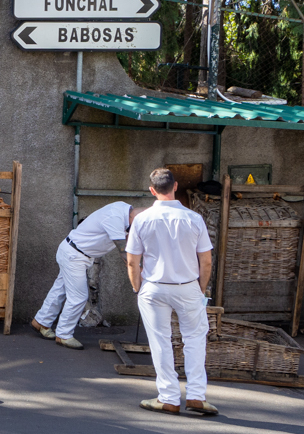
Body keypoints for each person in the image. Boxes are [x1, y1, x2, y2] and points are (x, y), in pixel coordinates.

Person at [126, 168, 217, 416]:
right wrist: (200, 287)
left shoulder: (142, 220)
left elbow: (133, 260)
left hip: (153, 287)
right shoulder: (194, 219)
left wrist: (137, 287)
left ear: (152, 190)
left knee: (160, 342)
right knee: (195, 339)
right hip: (187, 286)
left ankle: (168, 397)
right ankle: (197, 396)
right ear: (175, 186)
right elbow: (206, 261)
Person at [32, 201, 143, 350]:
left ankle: (41, 321)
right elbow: (124, 251)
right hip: (75, 256)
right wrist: (137, 269)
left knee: (60, 289)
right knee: (78, 296)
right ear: (133, 217)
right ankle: (64, 334)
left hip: (73, 251)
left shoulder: (124, 209)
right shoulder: (114, 219)